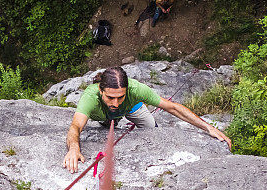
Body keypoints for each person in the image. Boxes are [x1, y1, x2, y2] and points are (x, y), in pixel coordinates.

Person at [62, 67, 232, 173]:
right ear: (100, 90)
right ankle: (109, 120)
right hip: (103, 115)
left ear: (127, 90)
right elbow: (76, 126)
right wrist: (73, 149)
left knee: (153, 130)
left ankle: (116, 117)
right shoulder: (90, 97)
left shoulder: (136, 90)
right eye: (110, 97)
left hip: (133, 108)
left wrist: (208, 128)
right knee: (107, 124)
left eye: (120, 97)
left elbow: (171, 107)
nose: (115, 102)